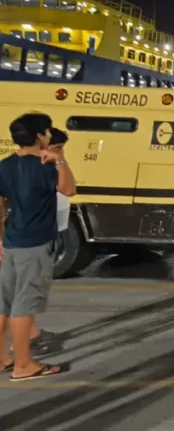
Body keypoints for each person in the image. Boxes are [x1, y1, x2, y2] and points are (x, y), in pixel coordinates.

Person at [0, 112, 76, 381]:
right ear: (39, 136)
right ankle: (23, 365)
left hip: (10, 241)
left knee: (4, 303)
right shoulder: (45, 165)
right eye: (46, 131)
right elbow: (68, 190)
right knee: (24, 304)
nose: (48, 135)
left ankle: (2, 358)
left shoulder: (5, 165)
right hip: (35, 243)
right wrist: (61, 160)